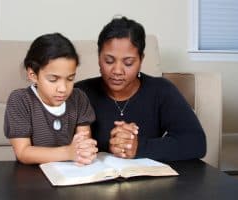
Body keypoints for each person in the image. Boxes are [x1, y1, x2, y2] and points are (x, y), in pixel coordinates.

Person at [75, 16, 206, 161]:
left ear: (141, 60)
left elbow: (196, 142)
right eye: (109, 61)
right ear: (99, 57)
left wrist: (139, 147)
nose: (117, 70)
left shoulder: (161, 90)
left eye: (128, 63)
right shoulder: (80, 93)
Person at [4, 33, 98, 165]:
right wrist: (68, 152)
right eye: (53, 79)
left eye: (70, 79)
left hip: (70, 173)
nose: (63, 89)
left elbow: (83, 144)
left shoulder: (79, 98)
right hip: (32, 176)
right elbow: (23, 152)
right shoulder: (20, 100)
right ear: (33, 75)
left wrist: (85, 150)